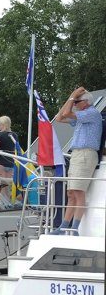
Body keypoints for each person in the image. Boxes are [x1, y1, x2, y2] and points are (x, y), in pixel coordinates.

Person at [56, 87, 103, 232]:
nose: (75, 104)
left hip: (85, 154)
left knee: (78, 192)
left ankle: (74, 228)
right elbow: (59, 117)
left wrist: (72, 98)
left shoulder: (91, 113)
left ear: (86, 102)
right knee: (71, 193)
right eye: (74, 102)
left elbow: (66, 113)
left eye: (77, 101)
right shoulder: (83, 115)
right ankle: (64, 226)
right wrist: (72, 96)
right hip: (78, 154)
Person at [0, 115, 20, 181]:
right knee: (8, 185)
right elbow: (17, 148)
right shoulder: (15, 135)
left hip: (0, 162)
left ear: (2, 124)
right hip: (11, 162)